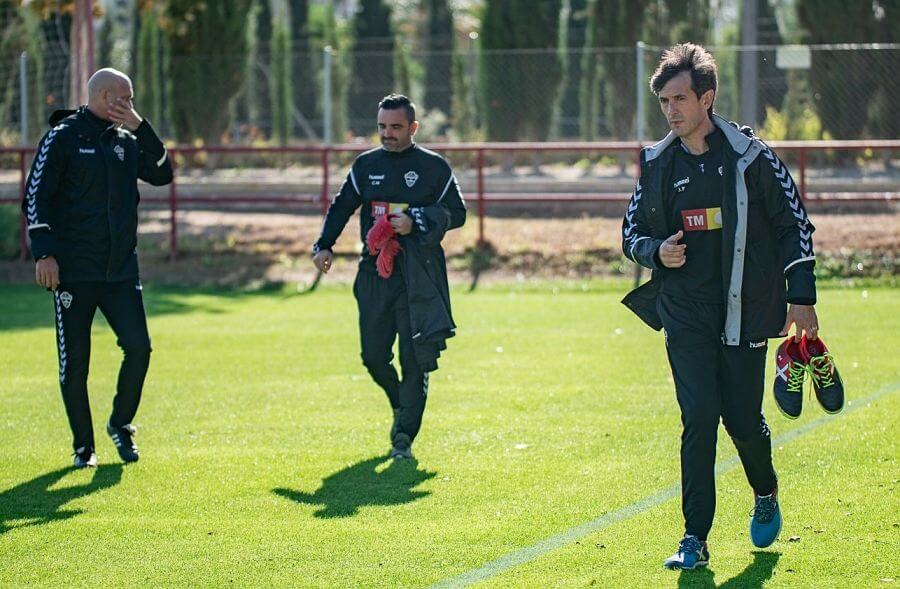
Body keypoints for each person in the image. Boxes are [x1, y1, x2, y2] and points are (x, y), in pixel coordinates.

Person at [620, 44, 819, 570]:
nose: (671, 110)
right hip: (685, 311)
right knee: (699, 416)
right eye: (664, 100)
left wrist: (801, 298)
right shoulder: (657, 162)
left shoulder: (753, 158)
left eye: (680, 98)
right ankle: (695, 539)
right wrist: (654, 251)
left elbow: (793, 223)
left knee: (743, 420)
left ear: (706, 97)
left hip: (745, 309)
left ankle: (765, 490)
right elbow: (630, 233)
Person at [22, 68, 173, 468]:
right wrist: (44, 253)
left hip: (121, 270)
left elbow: (163, 173)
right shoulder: (64, 136)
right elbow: (36, 196)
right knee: (76, 363)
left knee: (139, 348)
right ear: (107, 97)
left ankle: (120, 425)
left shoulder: (126, 139)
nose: (132, 105)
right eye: (128, 99)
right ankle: (83, 447)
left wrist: (142, 127)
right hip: (74, 270)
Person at [312, 94, 466, 460]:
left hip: (418, 277)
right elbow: (342, 205)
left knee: (414, 359)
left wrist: (419, 222)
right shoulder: (366, 166)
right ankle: (401, 405)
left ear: (413, 128)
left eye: (395, 127)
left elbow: (457, 213)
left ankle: (404, 436)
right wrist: (324, 245)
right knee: (373, 356)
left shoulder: (434, 167)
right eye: (382, 126)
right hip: (374, 274)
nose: (387, 134)